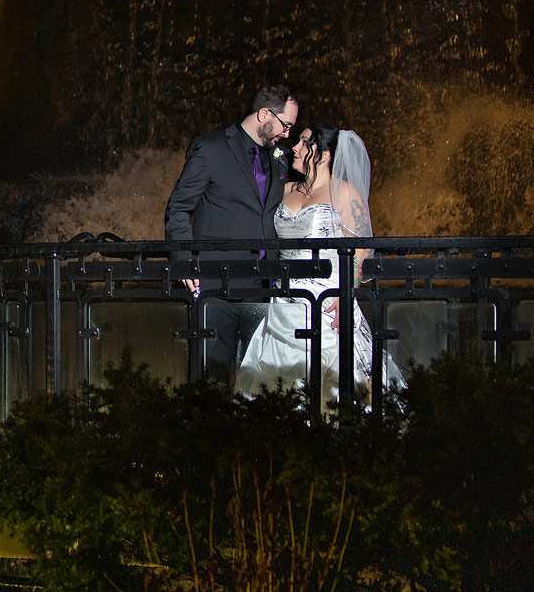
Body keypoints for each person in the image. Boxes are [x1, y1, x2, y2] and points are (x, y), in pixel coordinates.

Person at [233, 122, 404, 405]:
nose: (295, 148)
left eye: (304, 143)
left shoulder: (345, 193)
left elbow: (362, 247)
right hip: (284, 300)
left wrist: (346, 291)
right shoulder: (286, 189)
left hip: (328, 298)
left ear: (323, 155)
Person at [165, 84, 298, 384]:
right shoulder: (210, 148)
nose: (287, 134)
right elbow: (179, 208)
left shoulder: (280, 156)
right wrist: (183, 261)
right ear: (264, 114)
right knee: (209, 380)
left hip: (264, 289)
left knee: (258, 383)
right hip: (216, 286)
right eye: (285, 125)